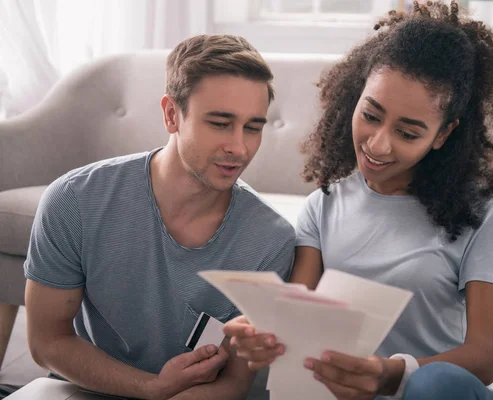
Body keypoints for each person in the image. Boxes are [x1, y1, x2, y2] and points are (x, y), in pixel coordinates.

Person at [224, 2, 493, 399]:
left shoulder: (484, 214)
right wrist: (263, 331)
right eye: (371, 115)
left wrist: (390, 374)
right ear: (355, 96)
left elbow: (484, 357)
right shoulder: (322, 206)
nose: (378, 145)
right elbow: (298, 320)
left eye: (408, 133)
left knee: (432, 384)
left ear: (443, 135)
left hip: (441, 393)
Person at [23, 34, 295, 400]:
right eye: (219, 123)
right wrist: (150, 388)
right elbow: (48, 341)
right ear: (171, 115)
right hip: (85, 390)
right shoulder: (74, 201)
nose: (239, 147)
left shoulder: (270, 240)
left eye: (253, 127)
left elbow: (232, 384)